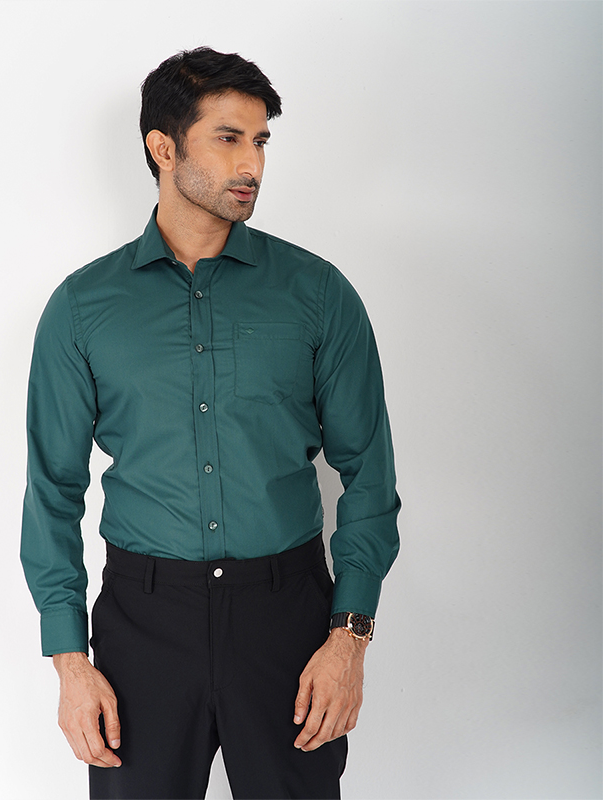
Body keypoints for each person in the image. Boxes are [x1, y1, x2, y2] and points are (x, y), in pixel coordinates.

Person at [21, 46, 400, 800]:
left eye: (260, 141)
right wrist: (69, 661)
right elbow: (53, 490)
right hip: (144, 624)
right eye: (228, 138)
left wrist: (349, 638)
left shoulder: (319, 294)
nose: (251, 163)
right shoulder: (82, 309)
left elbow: (369, 475)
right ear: (164, 149)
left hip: (288, 619)